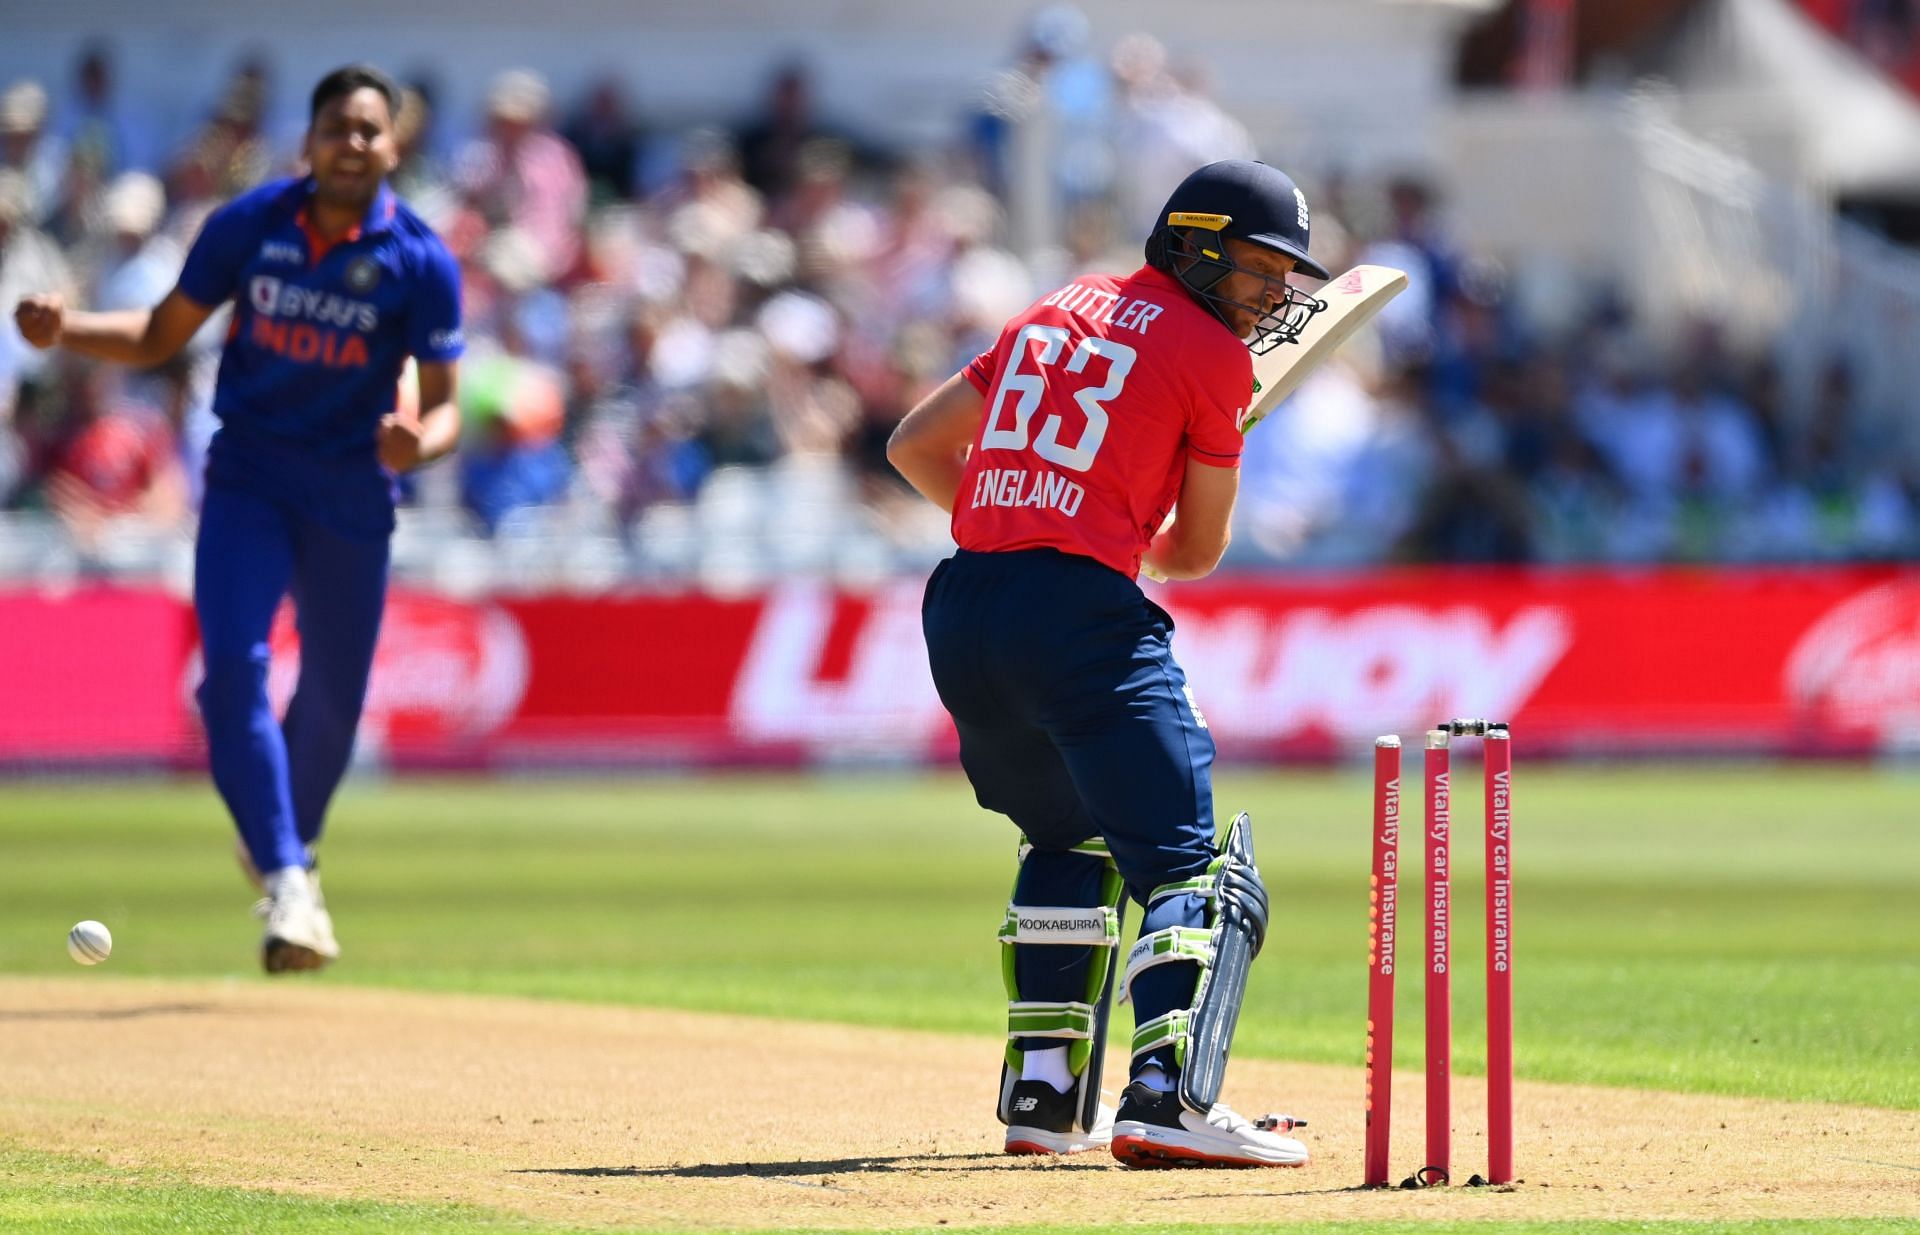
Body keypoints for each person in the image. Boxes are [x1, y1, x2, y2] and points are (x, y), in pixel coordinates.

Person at [887, 160, 1331, 1168]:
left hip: (964, 607)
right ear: (1196, 243)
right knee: (1195, 868)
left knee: (1065, 833)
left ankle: (1042, 1099)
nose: (1272, 296)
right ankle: (1166, 1100)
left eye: (1283, 277)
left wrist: (1026, 520)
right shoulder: (1214, 359)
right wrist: (1216, 434)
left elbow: (914, 445)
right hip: (1079, 615)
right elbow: (1193, 555)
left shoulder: (1058, 305)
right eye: (1259, 269)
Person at [13, 64, 464, 974]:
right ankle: (290, 882)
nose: (353, 143)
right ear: (308, 141)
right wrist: (67, 330)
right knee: (233, 676)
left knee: (334, 699)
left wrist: (417, 444)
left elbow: (445, 405)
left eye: (370, 130)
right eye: (337, 126)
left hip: (350, 493)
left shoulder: (421, 259)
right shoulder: (250, 226)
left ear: (394, 146)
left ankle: (285, 842)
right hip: (250, 476)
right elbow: (156, 337)